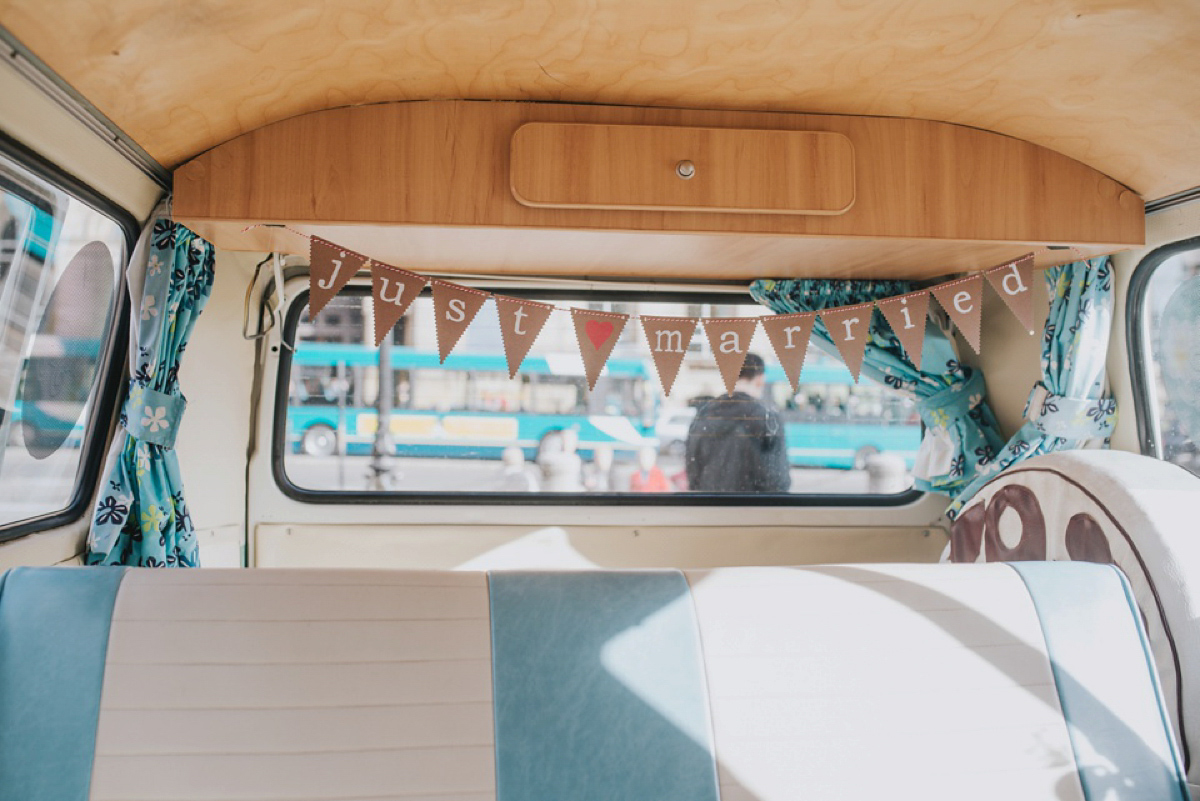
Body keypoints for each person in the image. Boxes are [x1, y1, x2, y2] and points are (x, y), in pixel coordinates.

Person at [685, 353, 791, 492]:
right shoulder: (766, 418)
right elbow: (778, 480)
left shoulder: (704, 415)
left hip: (710, 508)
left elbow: (693, 472)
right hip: (751, 509)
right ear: (760, 379)